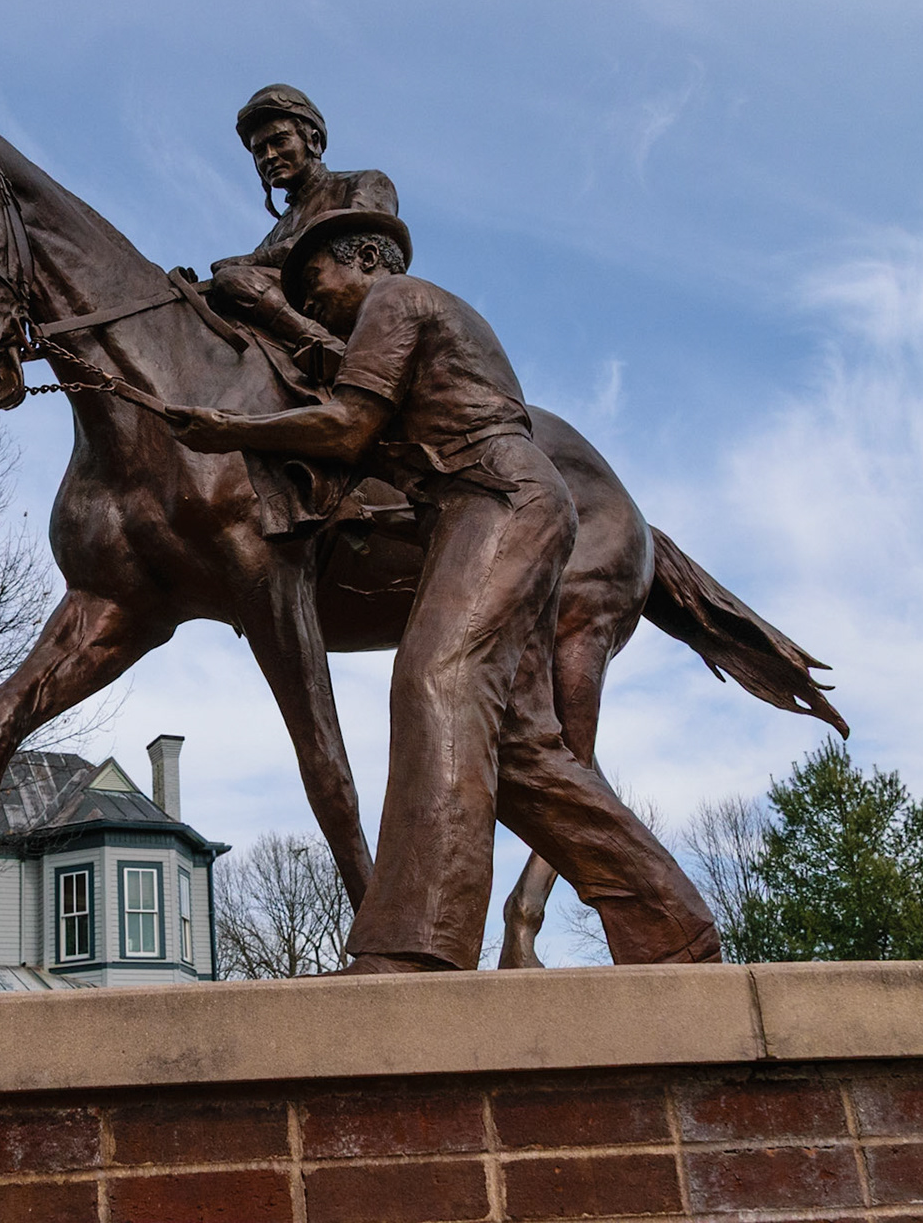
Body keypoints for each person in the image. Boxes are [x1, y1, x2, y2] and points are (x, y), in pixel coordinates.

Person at [168, 209, 721, 972]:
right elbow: (342, 379)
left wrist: (231, 429)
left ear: (366, 254)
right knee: (518, 749)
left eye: (315, 282)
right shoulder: (402, 322)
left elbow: (350, 426)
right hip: (489, 509)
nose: (310, 300)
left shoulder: (398, 300)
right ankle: (672, 927)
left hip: (497, 504)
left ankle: (418, 945)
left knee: (438, 679)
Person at [209, 85, 398, 368]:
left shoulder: (366, 183)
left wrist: (249, 261)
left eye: (279, 141)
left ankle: (325, 343)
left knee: (231, 279)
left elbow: (346, 239)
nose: (269, 156)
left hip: (355, 314)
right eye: (259, 151)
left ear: (313, 141)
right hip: (293, 311)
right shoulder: (276, 233)